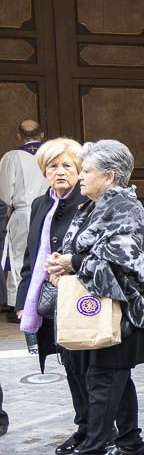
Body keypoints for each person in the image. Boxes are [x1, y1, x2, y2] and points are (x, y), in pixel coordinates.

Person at [44, 140, 144, 455]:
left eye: (87, 170)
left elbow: (124, 264)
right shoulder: (96, 207)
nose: (80, 176)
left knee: (104, 382)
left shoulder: (124, 209)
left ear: (109, 176)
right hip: (101, 310)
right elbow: (84, 252)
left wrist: (73, 263)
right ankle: (130, 445)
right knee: (115, 380)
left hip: (122, 311)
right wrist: (63, 264)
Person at [15, 138, 90, 454]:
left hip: (84, 298)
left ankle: (113, 433)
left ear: (79, 169)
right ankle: (85, 427)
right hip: (52, 299)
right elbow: (31, 255)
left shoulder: (89, 202)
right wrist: (23, 300)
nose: (59, 172)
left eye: (67, 166)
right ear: (44, 171)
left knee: (91, 368)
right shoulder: (40, 205)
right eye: (52, 166)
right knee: (70, 365)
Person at [1, 119, 49, 312]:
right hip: (50, 211)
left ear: (19, 136)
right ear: (42, 135)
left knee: (19, 258)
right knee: (49, 256)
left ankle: (18, 303)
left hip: (23, 213)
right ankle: (46, 301)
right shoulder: (52, 154)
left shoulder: (12, 157)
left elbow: (5, 194)